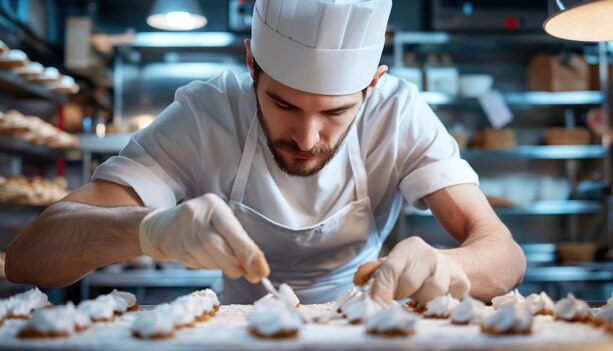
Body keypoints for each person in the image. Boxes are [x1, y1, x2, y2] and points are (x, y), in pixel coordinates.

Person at [5, 0, 525, 305]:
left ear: (372, 85)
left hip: (365, 323)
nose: (306, 137)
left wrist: (450, 265)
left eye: (337, 113)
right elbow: (30, 258)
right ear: (251, 63)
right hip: (235, 329)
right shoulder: (206, 114)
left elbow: (504, 253)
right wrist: (147, 230)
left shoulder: (398, 114)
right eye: (282, 103)